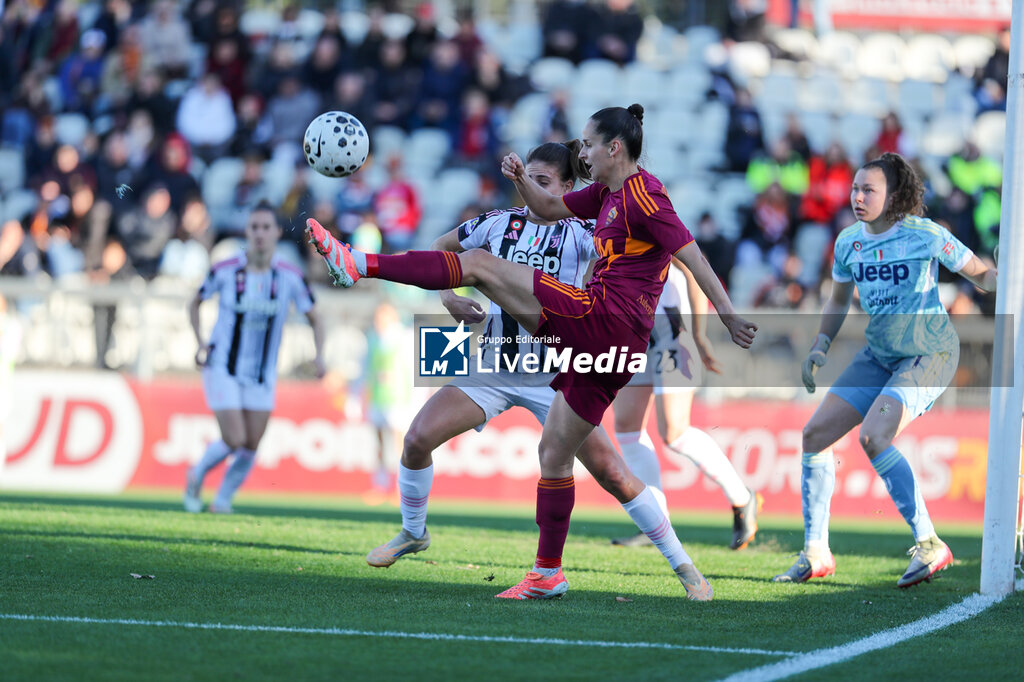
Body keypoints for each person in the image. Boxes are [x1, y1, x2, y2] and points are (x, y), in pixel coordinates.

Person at [306, 104, 757, 601]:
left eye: (588, 146)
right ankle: (603, 573)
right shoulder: (572, 204)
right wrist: (517, 188)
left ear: (612, 150)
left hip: (586, 335)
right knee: (553, 457)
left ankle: (356, 263)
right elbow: (485, 230)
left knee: (481, 266)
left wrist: (726, 316)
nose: (583, 153)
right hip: (515, 358)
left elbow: (689, 256)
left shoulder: (632, 202)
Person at [773, 152, 997, 587]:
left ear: (893, 196)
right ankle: (816, 553)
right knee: (814, 436)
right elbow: (838, 300)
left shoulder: (925, 234)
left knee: (874, 436)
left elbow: (980, 276)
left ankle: (929, 543)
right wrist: (821, 344)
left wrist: (1004, 275)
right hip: (879, 355)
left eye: (868, 190)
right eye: (855, 189)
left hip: (928, 354)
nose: (857, 197)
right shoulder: (847, 242)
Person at [184, 201, 326, 514]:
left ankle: (222, 500)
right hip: (223, 366)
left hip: (262, 373)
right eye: (254, 227)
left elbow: (316, 317)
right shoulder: (225, 269)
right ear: (247, 232)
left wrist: (320, 357)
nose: (260, 233)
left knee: (251, 443)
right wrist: (200, 343)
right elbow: (194, 302)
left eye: (266, 227)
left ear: (277, 232)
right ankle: (196, 474)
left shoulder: (289, 276)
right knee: (234, 437)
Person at [610, 263, 762, 550]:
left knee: (674, 431)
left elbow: (696, 267)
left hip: (672, 331)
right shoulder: (603, 232)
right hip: (633, 332)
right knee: (627, 427)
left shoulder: (657, 230)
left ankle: (742, 497)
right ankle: (655, 523)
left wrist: (699, 334)